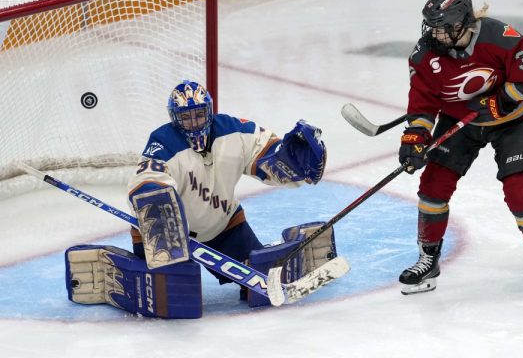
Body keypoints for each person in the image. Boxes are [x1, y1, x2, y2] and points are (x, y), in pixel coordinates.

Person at [64, 80, 329, 318]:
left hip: (223, 226)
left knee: (259, 284)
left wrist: (292, 159)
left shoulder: (234, 131)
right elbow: (147, 181)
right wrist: (158, 208)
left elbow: (267, 154)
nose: (194, 123)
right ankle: (121, 272)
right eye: (186, 117)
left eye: (199, 115)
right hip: (170, 235)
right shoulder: (163, 142)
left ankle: (281, 251)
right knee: (175, 298)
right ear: (175, 118)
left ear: (210, 112)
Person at [398, 0, 523, 296]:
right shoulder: (426, 54)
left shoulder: (500, 37)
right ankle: (428, 259)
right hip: (461, 121)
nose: (435, 34)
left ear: (463, 23)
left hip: (514, 120)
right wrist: (414, 139)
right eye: (433, 27)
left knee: (519, 191)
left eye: (443, 27)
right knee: (432, 188)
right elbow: (423, 104)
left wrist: (498, 102)